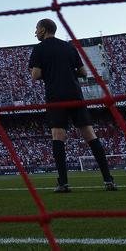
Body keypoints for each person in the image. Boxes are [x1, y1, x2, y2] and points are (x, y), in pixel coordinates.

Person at [28, 18, 117, 193]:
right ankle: (108, 180)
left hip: (56, 96)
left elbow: (35, 75)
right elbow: (83, 72)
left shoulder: (38, 49)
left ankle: (63, 183)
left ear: (44, 30)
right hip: (76, 94)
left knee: (58, 136)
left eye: (37, 29)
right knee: (90, 135)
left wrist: (51, 71)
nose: (36, 32)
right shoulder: (69, 47)